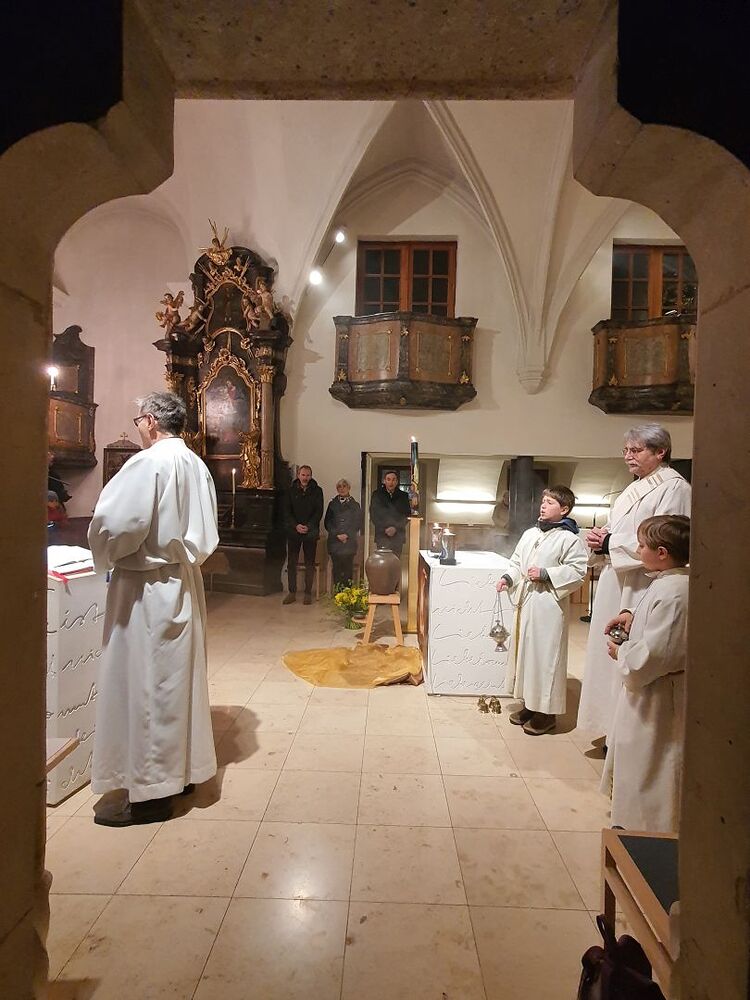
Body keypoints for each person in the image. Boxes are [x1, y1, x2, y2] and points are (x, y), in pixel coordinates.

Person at [87, 392, 219, 826]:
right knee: (173, 682)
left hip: (145, 586)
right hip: (182, 580)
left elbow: (117, 525)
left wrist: (103, 554)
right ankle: (180, 775)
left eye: (137, 421)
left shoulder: (147, 464)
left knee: (146, 685)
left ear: (149, 421)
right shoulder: (196, 464)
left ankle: (150, 794)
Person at [577, 424, 691, 738]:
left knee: (630, 651)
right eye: (626, 450)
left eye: (636, 450)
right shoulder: (634, 487)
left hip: (643, 581)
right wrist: (601, 539)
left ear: (660, 451)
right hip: (616, 578)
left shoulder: (674, 488)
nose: (628, 456)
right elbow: (618, 532)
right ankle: (609, 727)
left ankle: (624, 732)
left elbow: (667, 541)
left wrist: (610, 543)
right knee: (607, 653)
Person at [601, 514, 690, 832]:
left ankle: (645, 831)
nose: (638, 551)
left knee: (651, 765)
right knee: (637, 759)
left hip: (658, 696)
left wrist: (621, 652)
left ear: (662, 553)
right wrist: (632, 615)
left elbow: (656, 655)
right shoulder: (671, 582)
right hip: (649, 693)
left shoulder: (675, 592)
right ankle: (630, 819)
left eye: (642, 545)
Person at [496, 485, 589, 735]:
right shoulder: (531, 534)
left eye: (550, 502)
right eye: (543, 501)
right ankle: (530, 704)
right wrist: (508, 577)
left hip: (548, 606)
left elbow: (578, 571)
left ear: (565, 509)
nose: (543, 505)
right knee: (527, 655)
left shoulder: (570, 539)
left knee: (545, 658)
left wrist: (547, 574)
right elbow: (517, 561)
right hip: (527, 603)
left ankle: (546, 713)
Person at [283, 464, 324, 605]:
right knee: (292, 563)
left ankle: (307, 593)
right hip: (294, 531)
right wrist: (296, 525)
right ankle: (292, 592)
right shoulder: (290, 491)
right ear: (298, 475)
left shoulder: (317, 491)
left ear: (311, 476)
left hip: (310, 531)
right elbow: (287, 511)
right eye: (303, 475)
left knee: (309, 563)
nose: (305, 478)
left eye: (308, 475)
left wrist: (309, 526)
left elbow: (319, 511)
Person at [324, 478, 362, 588]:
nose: (342, 489)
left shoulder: (355, 505)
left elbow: (358, 523)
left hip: (349, 543)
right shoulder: (332, 504)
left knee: (347, 570)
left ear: (349, 488)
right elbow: (328, 523)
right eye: (339, 487)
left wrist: (347, 535)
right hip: (334, 543)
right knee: (336, 569)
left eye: (344, 486)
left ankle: (347, 593)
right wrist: (337, 535)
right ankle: (337, 593)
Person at [370, 469, 411, 557]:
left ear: (396, 482)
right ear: (384, 481)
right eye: (388, 479)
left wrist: (395, 528)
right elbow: (374, 514)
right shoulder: (377, 495)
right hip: (382, 534)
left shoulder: (403, 496)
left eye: (393, 480)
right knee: (383, 561)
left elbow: (406, 515)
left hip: (398, 534)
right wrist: (385, 528)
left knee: (396, 561)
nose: (391, 482)